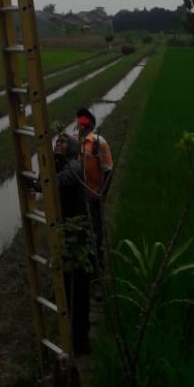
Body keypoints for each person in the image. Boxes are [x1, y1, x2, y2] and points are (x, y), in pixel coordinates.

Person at [53, 133, 93, 356]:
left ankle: (81, 341)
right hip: (66, 237)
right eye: (57, 142)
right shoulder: (60, 166)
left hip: (78, 239)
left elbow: (56, 182)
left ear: (72, 148)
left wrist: (41, 183)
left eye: (63, 142)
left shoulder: (74, 167)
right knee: (68, 286)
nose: (59, 145)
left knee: (78, 290)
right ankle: (72, 337)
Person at [75, 107, 113, 274]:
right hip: (81, 195)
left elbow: (108, 170)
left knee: (97, 231)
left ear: (89, 126)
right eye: (79, 125)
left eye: (83, 125)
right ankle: (86, 264)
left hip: (95, 195)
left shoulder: (99, 143)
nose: (80, 128)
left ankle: (99, 267)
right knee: (82, 229)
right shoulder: (77, 144)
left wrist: (101, 194)